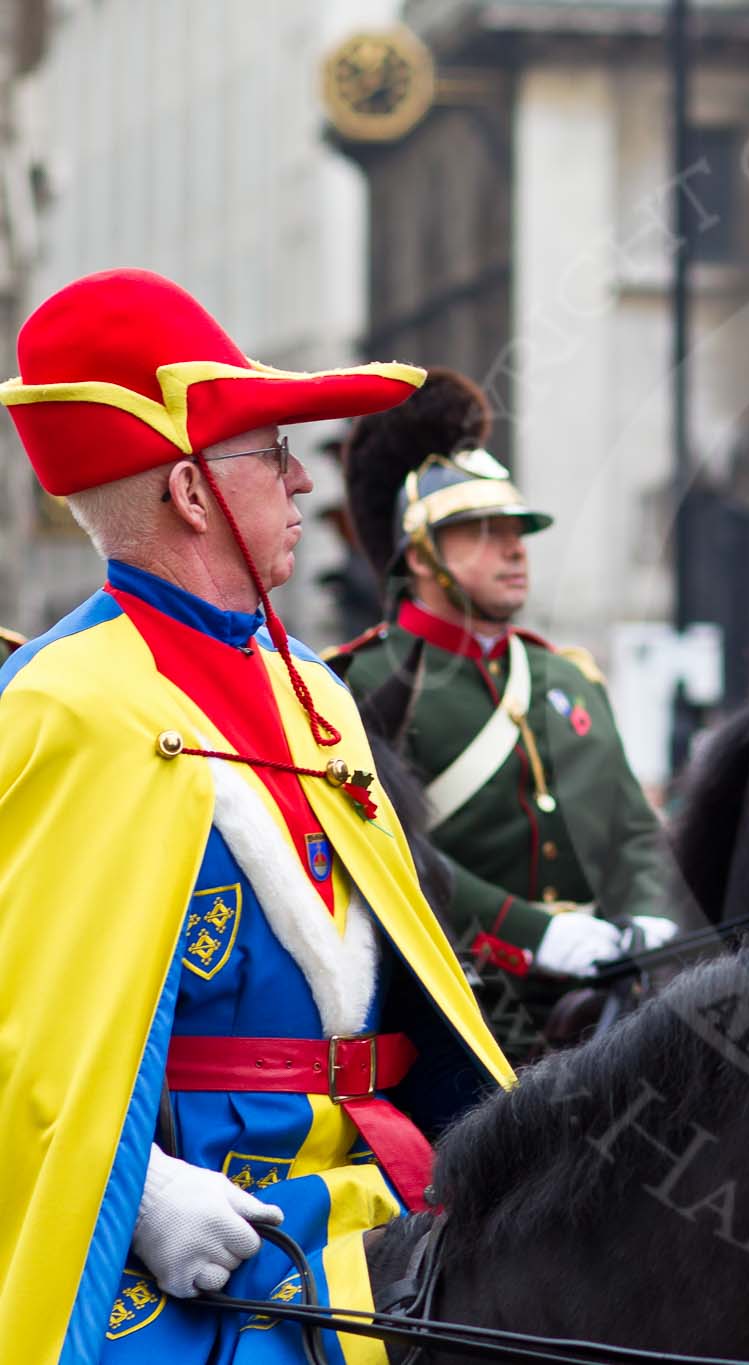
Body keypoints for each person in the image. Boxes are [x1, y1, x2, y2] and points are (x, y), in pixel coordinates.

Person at [0, 269, 513, 1363]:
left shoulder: (316, 689)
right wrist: (137, 1194)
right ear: (191, 492)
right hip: (203, 1241)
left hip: (386, 1198)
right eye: (273, 455)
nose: (299, 483)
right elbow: (21, 1031)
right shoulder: (66, 701)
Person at [327, 369, 680, 1049]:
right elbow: (387, 852)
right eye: (483, 531)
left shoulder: (565, 675)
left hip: (600, 1008)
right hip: (457, 1014)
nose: (515, 547)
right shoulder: (357, 682)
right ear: (422, 552)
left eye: (517, 528)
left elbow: (631, 829)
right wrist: (537, 933)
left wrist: (646, 913)